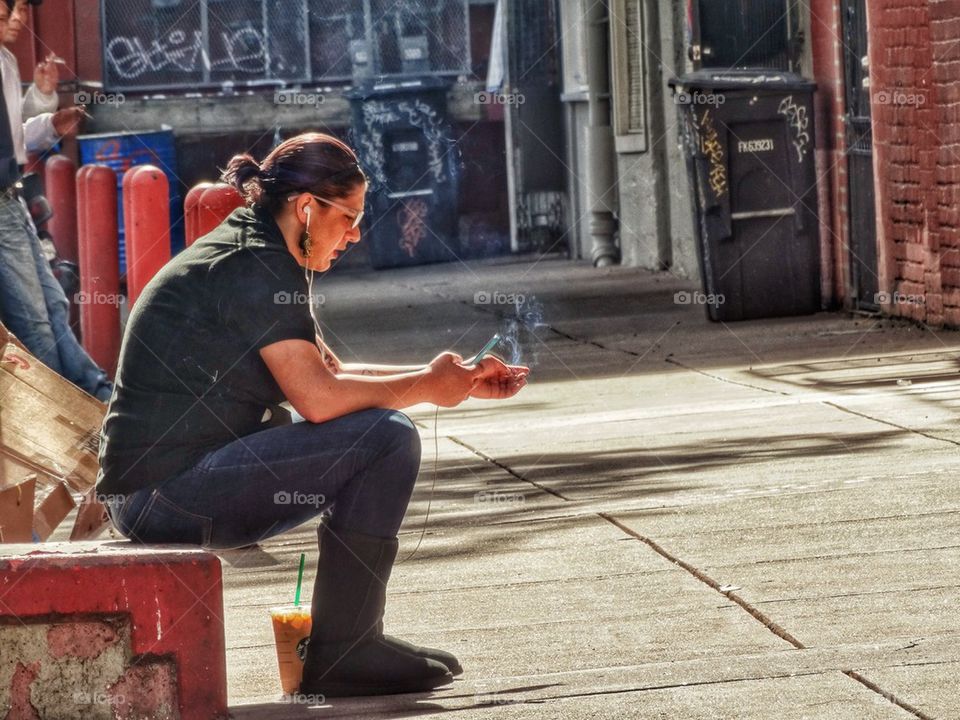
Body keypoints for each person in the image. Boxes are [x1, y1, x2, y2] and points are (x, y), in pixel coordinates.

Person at [96, 132, 529, 696]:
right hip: (161, 496)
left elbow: (330, 375)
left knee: (379, 430)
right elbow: (320, 400)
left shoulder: (263, 250)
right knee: (387, 439)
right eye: (348, 217)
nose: (353, 235)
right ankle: (345, 648)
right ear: (307, 207)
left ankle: (350, 640)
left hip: (159, 488)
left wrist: (454, 380)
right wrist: (425, 387)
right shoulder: (253, 264)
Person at [0, 0, 112, 400]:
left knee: (53, 305)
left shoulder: (7, 62)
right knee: (34, 321)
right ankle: (61, 406)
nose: (17, 21)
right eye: (7, 14)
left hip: (14, 200)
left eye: (21, 12)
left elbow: (13, 136)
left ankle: (93, 394)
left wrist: (50, 120)